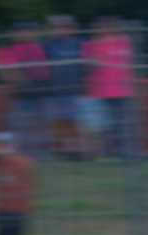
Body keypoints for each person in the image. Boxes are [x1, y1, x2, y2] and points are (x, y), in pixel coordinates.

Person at [0, 23, 50, 158]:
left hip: (38, 92)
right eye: (20, 31)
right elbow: (7, 72)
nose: (25, 34)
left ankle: (39, 153)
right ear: (13, 34)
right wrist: (22, 81)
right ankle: (22, 153)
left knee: (38, 123)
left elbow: (44, 71)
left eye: (28, 31)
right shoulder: (7, 49)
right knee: (20, 124)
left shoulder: (38, 48)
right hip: (19, 94)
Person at [83, 16, 134, 160]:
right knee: (101, 126)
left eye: (109, 26)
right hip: (99, 91)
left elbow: (132, 64)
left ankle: (125, 153)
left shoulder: (125, 42)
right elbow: (88, 68)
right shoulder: (91, 45)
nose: (106, 29)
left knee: (123, 125)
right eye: (102, 27)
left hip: (123, 91)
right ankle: (104, 154)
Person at [43, 16, 87, 159]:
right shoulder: (48, 45)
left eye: (64, 27)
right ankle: (66, 151)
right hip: (55, 91)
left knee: (75, 122)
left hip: (75, 90)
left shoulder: (80, 44)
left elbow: (87, 67)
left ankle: (78, 151)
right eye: (56, 27)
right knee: (59, 123)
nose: (60, 30)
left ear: (72, 29)